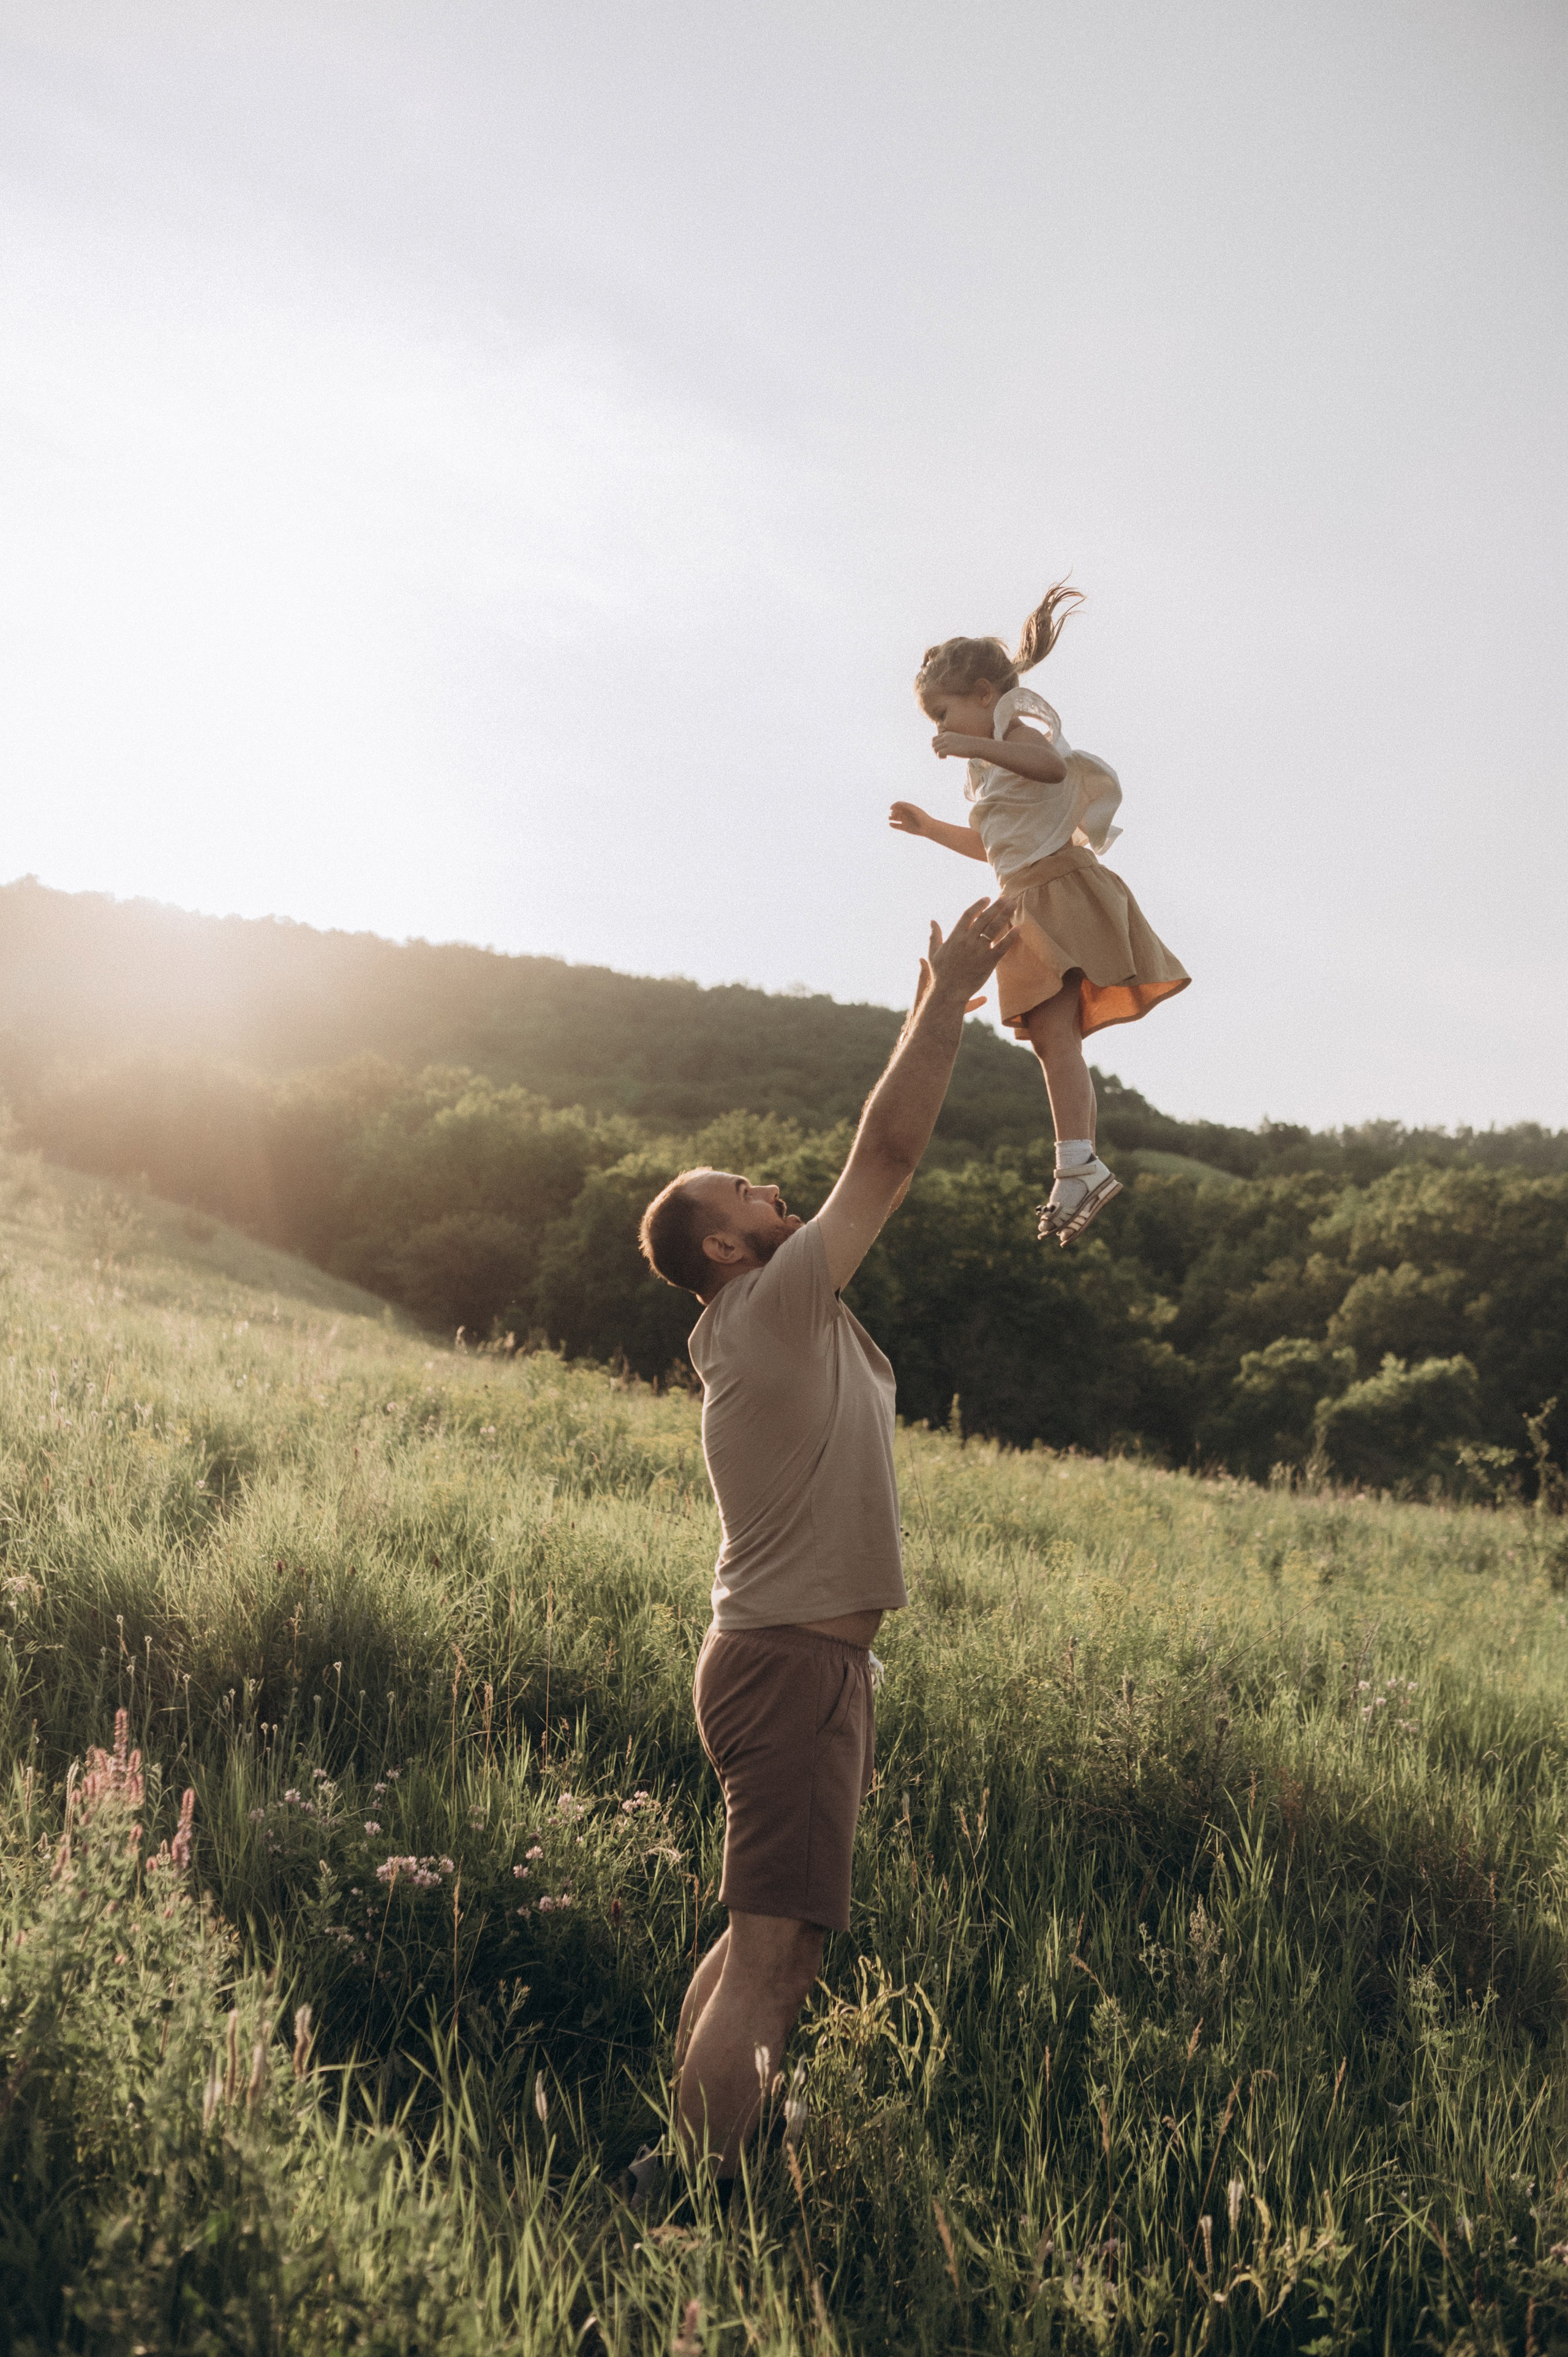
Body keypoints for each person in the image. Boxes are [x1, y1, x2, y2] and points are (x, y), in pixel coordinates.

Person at [634, 894, 1017, 2194]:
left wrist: (928, 995)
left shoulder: (779, 1315)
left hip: (803, 1662)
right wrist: (953, 1000)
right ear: (726, 1245)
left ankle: (698, 2146)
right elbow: (888, 1150)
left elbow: (866, 1164)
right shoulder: (768, 1303)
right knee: (766, 1948)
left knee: (775, 1944)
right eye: (746, 1190)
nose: (772, 1184)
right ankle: (683, 2193)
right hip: (788, 1666)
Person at [889, 583, 1189, 1245]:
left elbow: (1050, 767)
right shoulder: (986, 765)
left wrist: (977, 748)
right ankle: (1077, 1164)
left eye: (943, 715)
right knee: (1055, 1043)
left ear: (981, 694)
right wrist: (930, 825)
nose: (940, 733)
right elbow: (993, 847)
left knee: (1057, 1040)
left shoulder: (1013, 725)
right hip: (1022, 898)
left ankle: (1077, 1163)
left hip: (1058, 891)